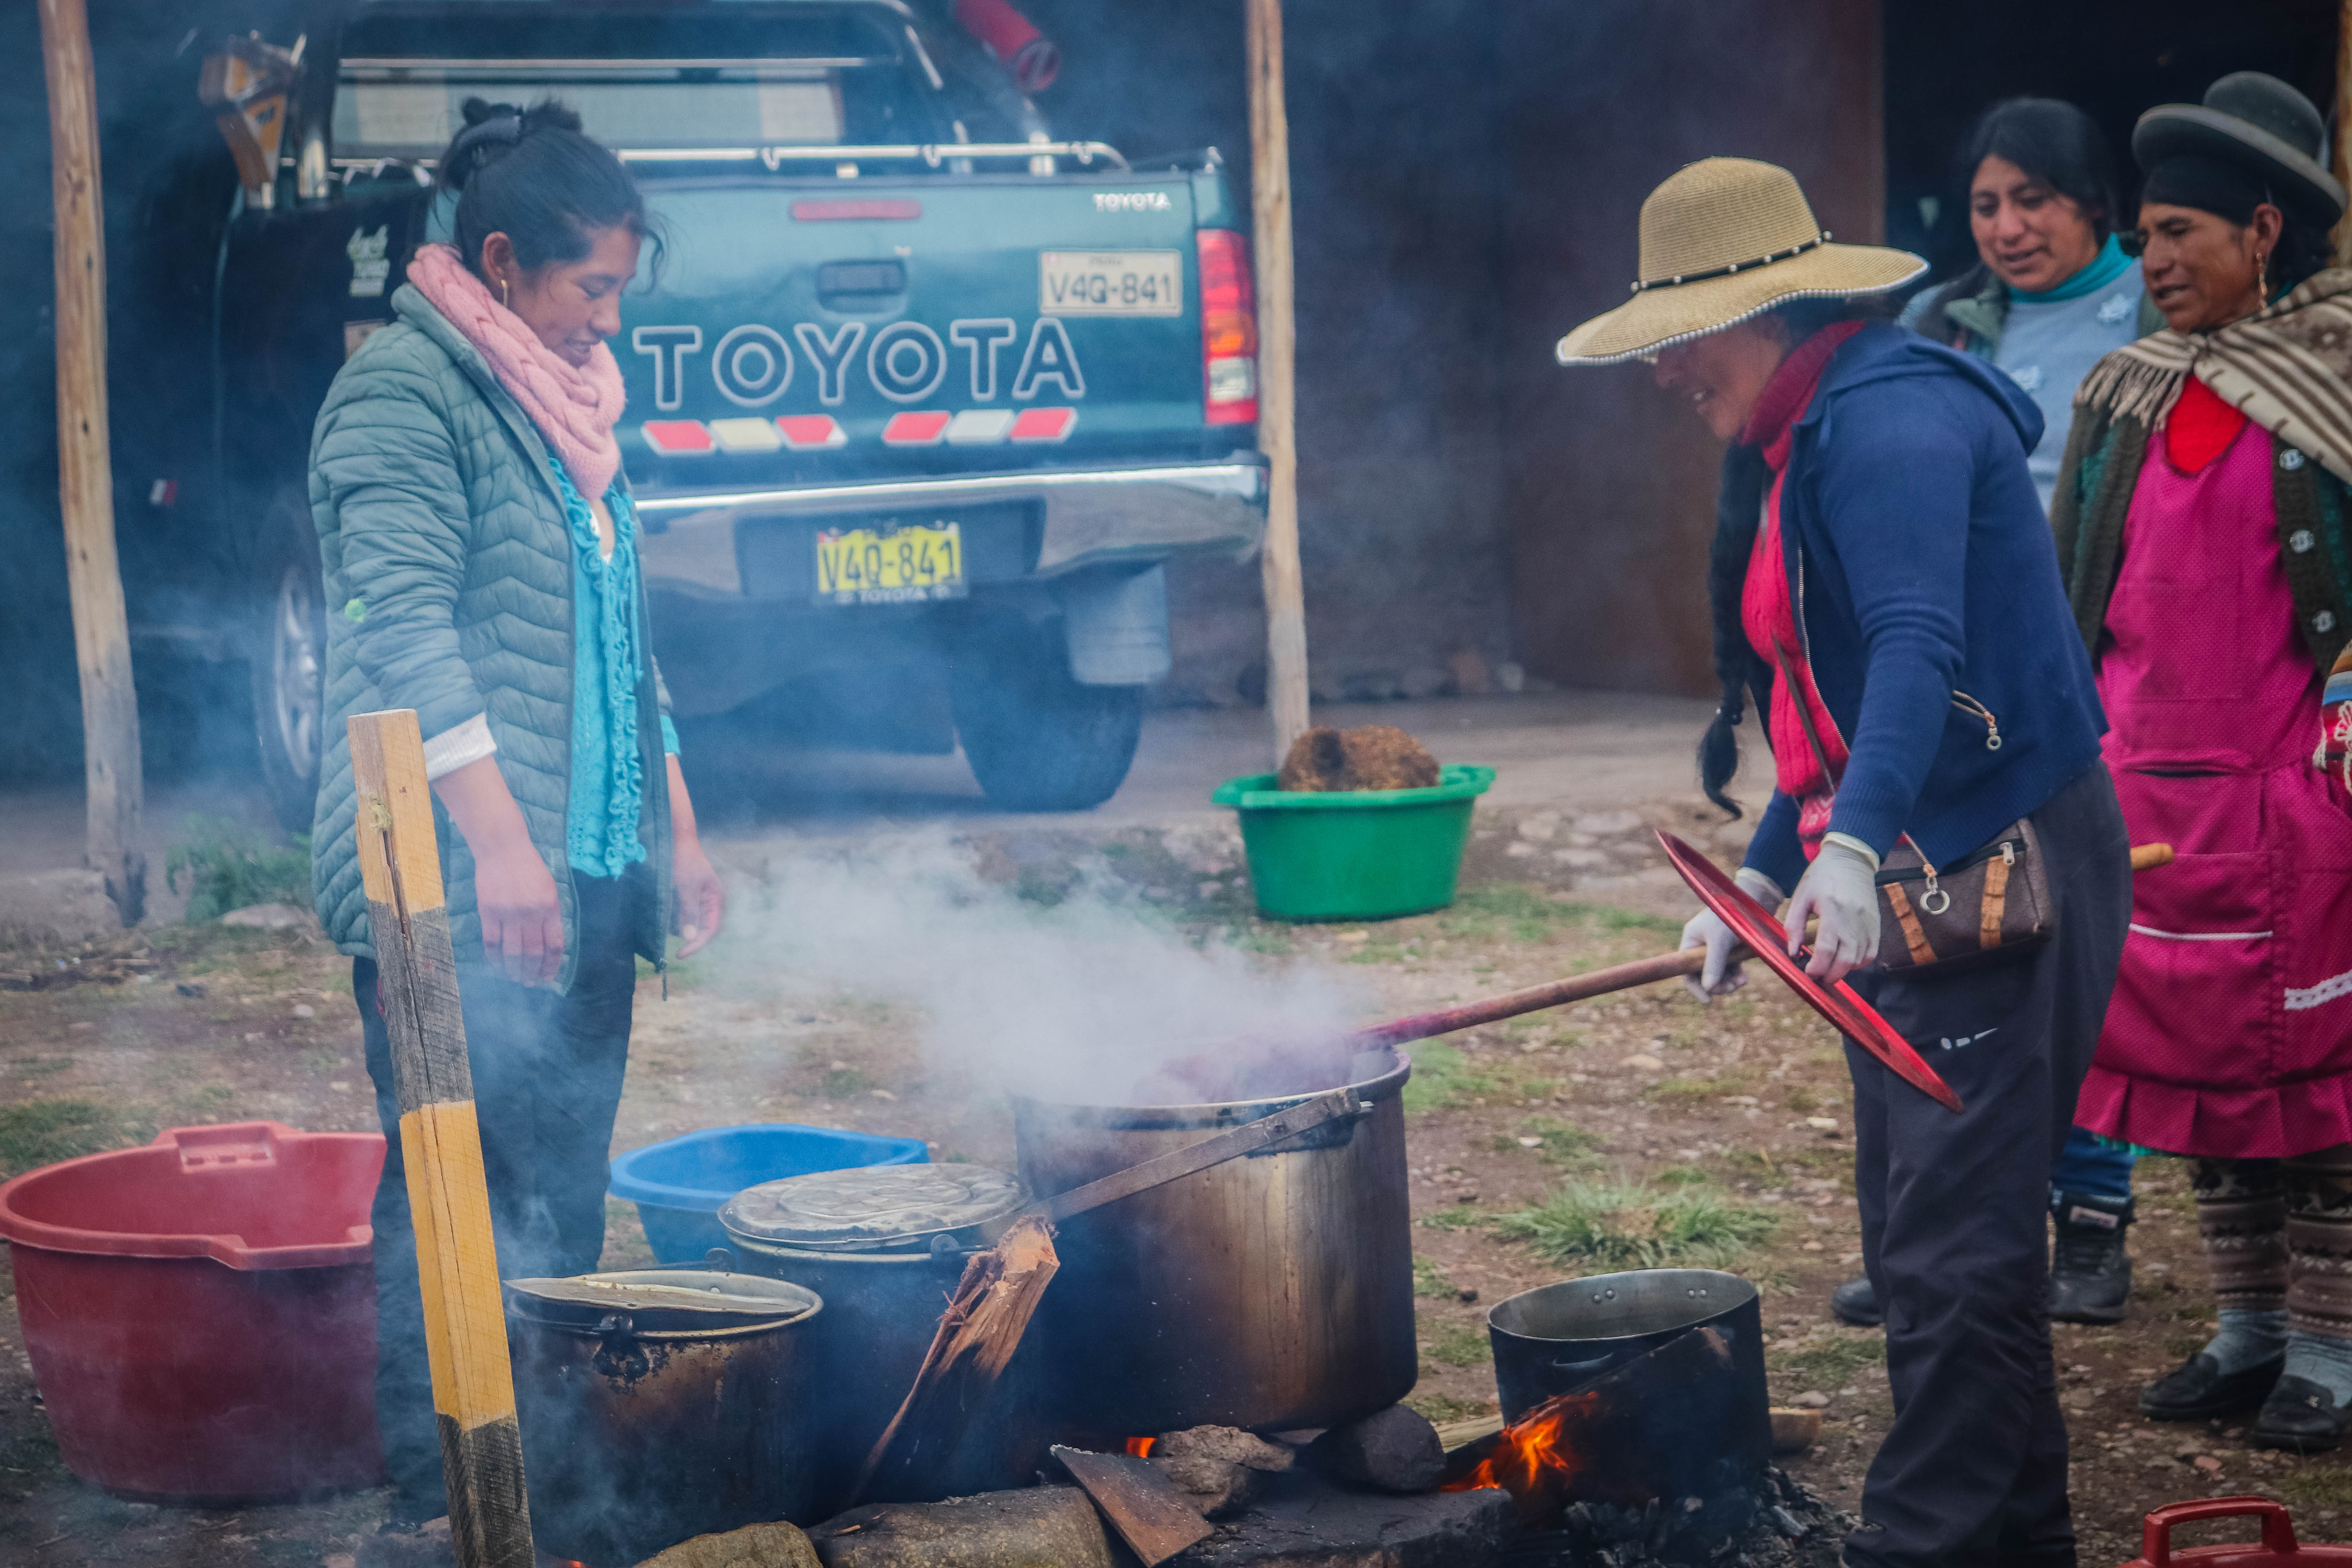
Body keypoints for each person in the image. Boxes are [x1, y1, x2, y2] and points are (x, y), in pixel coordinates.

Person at [1559, 156, 2130, 1568]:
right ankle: (2015, 1541)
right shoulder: (1803, 436)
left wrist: (1856, 850)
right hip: (1919, 864)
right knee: (1933, 1237)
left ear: (1747, 316)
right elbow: (1828, 697)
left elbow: (1921, 656)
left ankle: (1921, 1544)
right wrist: (1767, 870)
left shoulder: (1887, 428)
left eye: (1669, 344)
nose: (1659, 378)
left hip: (2001, 861)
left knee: (1951, 1247)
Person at [307, 99, 728, 1553]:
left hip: (586, 866)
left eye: (620, 289)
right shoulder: (402, 398)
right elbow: (401, 637)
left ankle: (551, 1468)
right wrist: (497, 846)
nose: (608, 320)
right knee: (452, 1181)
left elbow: (620, 634)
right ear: (498, 260)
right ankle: (441, 1494)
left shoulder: (575, 414)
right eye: (590, 289)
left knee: (560, 1178)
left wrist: (677, 826)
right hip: (459, 873)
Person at [2050, 72, 2352, 1452]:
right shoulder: (2126, 394)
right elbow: (2075, 595)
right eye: (2150, 234)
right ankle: (2247, 1334)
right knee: (2204, 1078)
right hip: (2152, 795)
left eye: (2184, 233)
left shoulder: (2336, 376)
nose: (2156, 262)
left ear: (2268, 229)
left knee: (2320, 1081)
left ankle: (2336, 1353)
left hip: (2303, 792)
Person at [1831, 98, 2159, 1333]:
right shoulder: (1946, 327)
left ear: (2093, 205)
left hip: (2104, 668)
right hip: (1968, 686)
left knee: (2083, 959)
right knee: (1969, 946)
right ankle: (1967, 1233)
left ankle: (2090, 1213)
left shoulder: (2155, 317)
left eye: (2036, 199)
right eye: (1986, 203)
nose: (2011, 227)